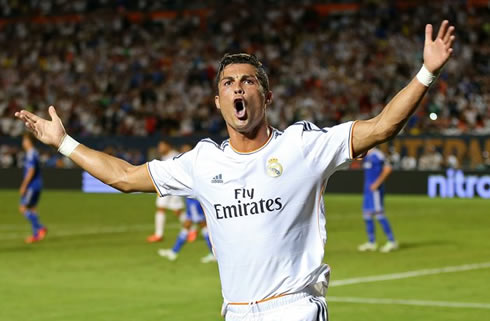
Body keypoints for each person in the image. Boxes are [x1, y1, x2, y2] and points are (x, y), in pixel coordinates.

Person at [15, 21, 454, 321]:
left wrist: (426, 73)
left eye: (247, 81)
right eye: (228, 83)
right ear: (218, 102)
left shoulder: (303, 145)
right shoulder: (203, 162)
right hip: (236, 310)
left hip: (293, 309)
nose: (237, 88)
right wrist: (64, 142)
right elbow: (124, 177)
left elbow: (382, 127)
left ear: (266, 96)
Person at [358, 148, 397, 252]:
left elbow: (388, 168)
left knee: (379, 215)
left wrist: (377, 184)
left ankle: (392, 241)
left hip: (375, 191)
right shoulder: (367, 156)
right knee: (367, 215)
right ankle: (371, 242)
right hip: (368, 191)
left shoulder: (377, 155)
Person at [147, 140, 185, 243]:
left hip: (172, 186)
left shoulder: (174, 156)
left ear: (168, 146)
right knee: (174, 210)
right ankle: (190, 229)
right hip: (169, 186)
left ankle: (159, 235)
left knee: (164, 208)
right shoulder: (167, 156)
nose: (160, 148)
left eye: (162, 146)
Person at [158, 198, 217, 263]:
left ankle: (214, 254)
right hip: (190, 199)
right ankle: (174, 251)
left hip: (193, 200)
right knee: (187, 225)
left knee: (202, 224)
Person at [19, 132, 47, 243]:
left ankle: (40, 228)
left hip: (32, 185)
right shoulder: (34, 153)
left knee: (23, 208)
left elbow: (31, 170)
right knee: (32, 209)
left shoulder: (31, 154)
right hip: (37, 184)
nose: (23, 143)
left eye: (24, 140)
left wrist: (24, 185)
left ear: (29, 142)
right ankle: (36, 235)